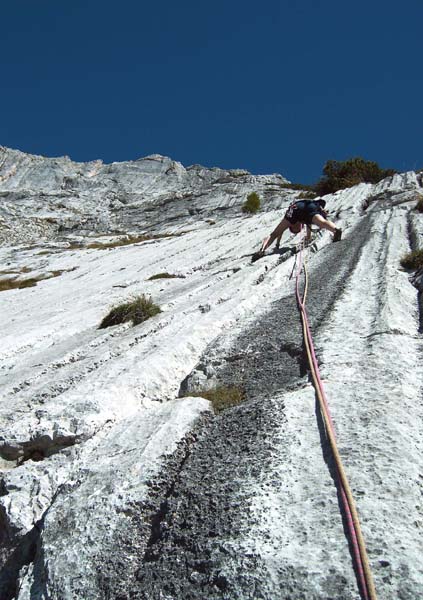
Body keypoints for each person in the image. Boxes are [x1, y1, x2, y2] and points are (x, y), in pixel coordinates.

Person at [258, 198, 342, 255]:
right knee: (322, 222)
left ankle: (262, 250)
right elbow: (309, 229)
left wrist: (277, 244)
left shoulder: (290, 220)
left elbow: (277, 233)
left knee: (273, 234)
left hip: (295, 208)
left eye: (296, 229)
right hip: (309, 206)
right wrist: (308, 238)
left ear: (292, 226)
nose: (298, 228)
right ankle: (335, 230)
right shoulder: (305, 221)